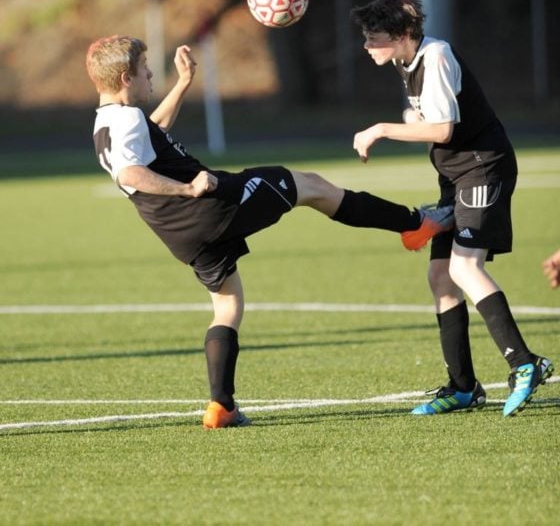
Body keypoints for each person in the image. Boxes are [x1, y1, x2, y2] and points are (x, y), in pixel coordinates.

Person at [86, 34, 454, 429]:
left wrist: (184, 84)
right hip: (211, 205)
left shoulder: (108, 121)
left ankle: (221, 406)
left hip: (179, 233)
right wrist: (188, 187)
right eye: (144, 71)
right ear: (126, 77)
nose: (150, 77)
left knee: (227, 306)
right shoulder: (126, 119)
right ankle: (415, 224)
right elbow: (131, 172)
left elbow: (150, 134)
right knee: (311, 186)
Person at [350, 0, 553, 418]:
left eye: (375, 37)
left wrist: (381, 129)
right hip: (456, 178)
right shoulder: (407, 61)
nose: (367, 46)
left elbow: (443, 130)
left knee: (464, 267)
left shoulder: (436, 55)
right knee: (441, 276)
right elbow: (431, 121)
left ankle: (525, 363)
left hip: (484, 169)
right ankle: (463, 387)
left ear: (403, 34)